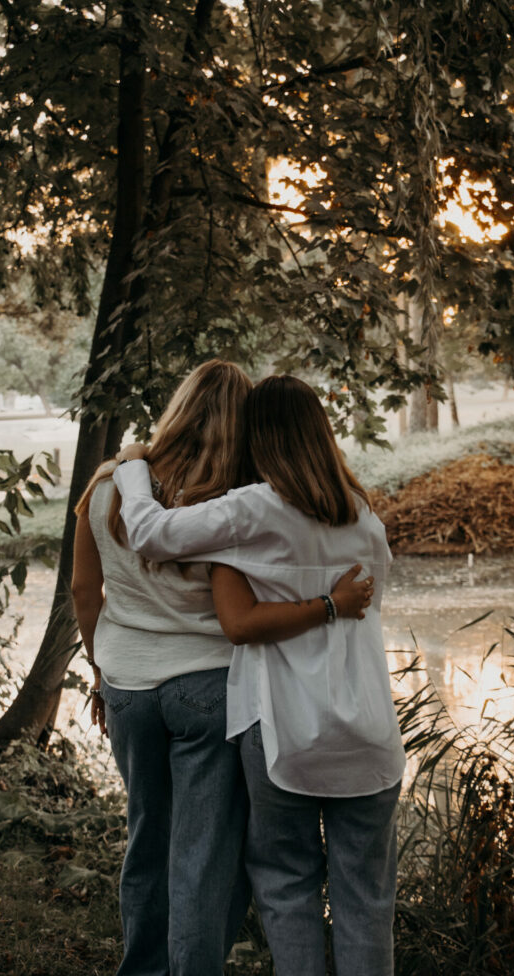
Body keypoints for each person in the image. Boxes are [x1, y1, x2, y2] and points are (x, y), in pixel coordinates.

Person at [71, 360, 374, 976]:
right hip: (208, 690)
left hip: (127, 683)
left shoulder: (107, 485)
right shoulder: (231, 500)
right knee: (203, 853)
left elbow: (84, 589)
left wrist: (100, 672)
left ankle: (143, 967)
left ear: (179, 407)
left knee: (146, 836)